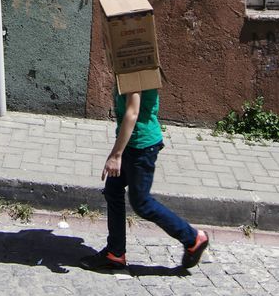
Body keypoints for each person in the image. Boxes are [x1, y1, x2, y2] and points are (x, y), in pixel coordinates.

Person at [80, 87, 209, 271]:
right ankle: (115, 253)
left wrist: (116, 155)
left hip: (141, 147)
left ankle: (193, 238)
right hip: (132, 144)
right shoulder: (134, 65)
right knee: (113, 190)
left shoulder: (134, 67)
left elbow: (132, 113)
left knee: (142, 203)